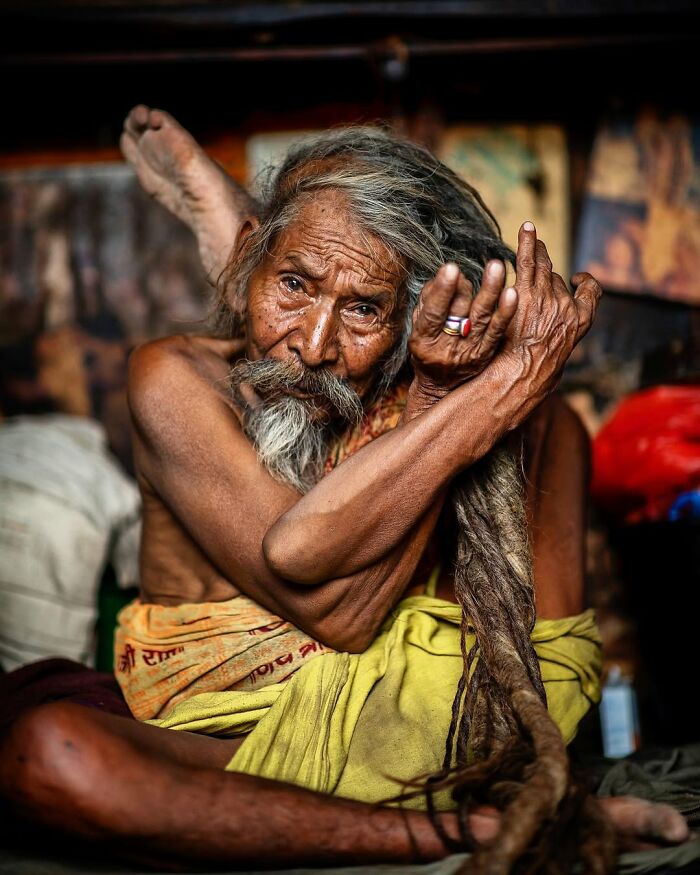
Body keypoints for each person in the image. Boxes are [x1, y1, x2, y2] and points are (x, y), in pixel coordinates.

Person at [0, 107, 690, 873]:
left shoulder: (426, 389)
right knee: (48, 753)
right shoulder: (175, 378)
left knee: (548, 419)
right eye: (291, 284)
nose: (314, 343)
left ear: (407, 325)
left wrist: (486, 391)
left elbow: (545, 668)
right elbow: (342, 614)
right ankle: (465, 830)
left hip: (424, 734)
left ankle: (462, 817)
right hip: (227, 744)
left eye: (363, 309)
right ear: (244, 271)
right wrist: (480, 397)